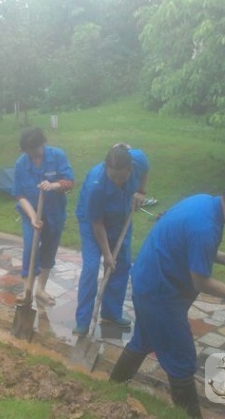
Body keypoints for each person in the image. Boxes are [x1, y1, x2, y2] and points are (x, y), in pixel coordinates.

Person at [109, 180, 225, 418]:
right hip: (160, 293)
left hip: (148, 280)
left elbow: (185, 242)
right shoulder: (205, 227)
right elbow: (201, 282)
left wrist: (222, 257)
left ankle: (110, 389)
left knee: (143, 340)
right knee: (182, 360)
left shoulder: (203, 202)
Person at [73, 143, 149, 335]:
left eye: (122, 177)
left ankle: (111, 312)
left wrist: (141, 191)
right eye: (113, 177)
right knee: (91, 267)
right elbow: (97, 224)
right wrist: (107, 254)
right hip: (92, 222)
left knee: (121, 264)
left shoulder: (137, 160)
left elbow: (146, 168)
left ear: (130, 169)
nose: (117, 181)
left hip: (121, 215)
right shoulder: (96, 185)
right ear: (106, 168)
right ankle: (83, 321)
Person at [12, 127, 74, 305]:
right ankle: (27, 290)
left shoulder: (57, 156)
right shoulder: (21, 164)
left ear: (43, 143)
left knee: (49, 248)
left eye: (35, 149)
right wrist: (33, 217)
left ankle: (40, 289)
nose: (33, 154)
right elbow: (19, 194)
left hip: (55, 212)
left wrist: (54, 185)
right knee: (30, 246)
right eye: (28, 151)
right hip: (31, 212)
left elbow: (69, 182)